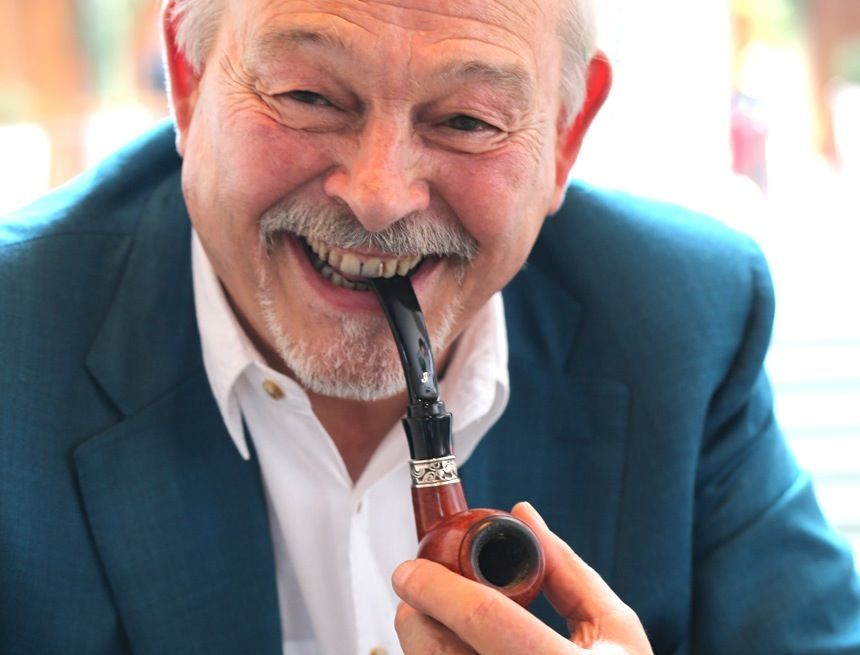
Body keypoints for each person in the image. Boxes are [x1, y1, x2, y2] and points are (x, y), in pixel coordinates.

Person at [1, 0, 859, 653]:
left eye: (466, 120)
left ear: (565, 134)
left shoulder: (685, 318)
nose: (379, 196)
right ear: (189, 83)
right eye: (308, 95)